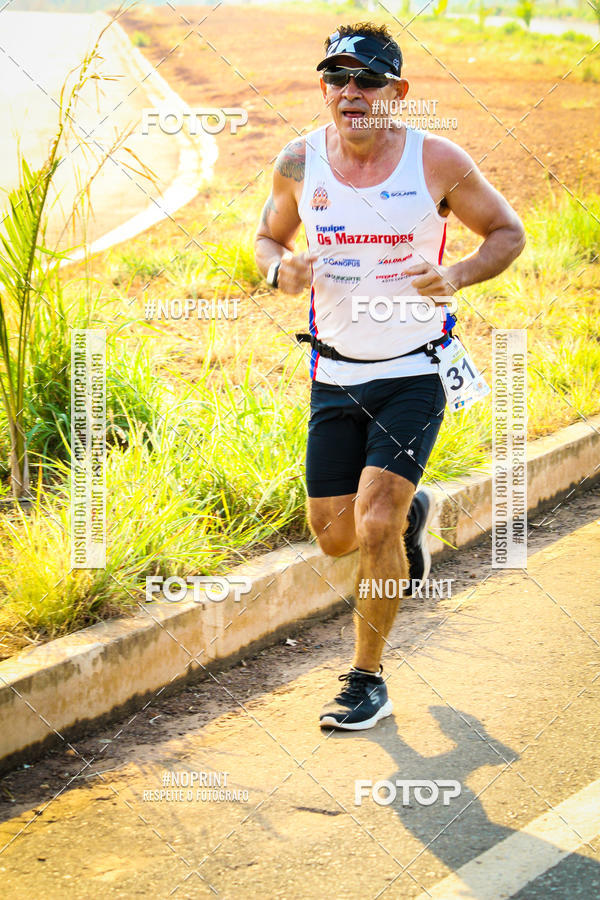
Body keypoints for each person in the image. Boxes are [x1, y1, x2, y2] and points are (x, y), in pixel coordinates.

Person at [254, 23, 525, 730]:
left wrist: (457, 274)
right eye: (337, 78)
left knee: (374, 519)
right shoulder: (298, 159)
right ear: (324, 89)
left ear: (396, 93)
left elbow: (507, 232)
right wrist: (281, 271)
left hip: (415, 372)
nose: (351, 92)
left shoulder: (436, 162)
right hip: (334, 374)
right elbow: (267, 239)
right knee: (334, 535)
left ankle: (365, 679)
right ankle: (412, 525)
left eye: (368, 79)